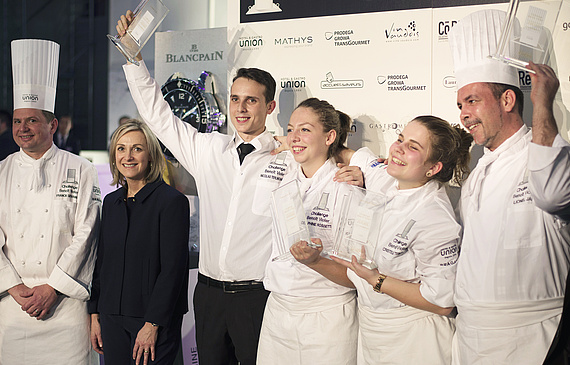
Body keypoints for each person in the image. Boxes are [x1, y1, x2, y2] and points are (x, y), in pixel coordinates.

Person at [116, 11, 295, 364]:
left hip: (257, 298)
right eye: (235, 99)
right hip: (208, 296)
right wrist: (134, 58)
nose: (240, 108)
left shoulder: (288, 160)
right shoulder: (209, 148)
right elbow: (158, 115)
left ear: (270, 106)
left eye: (252, 100)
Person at [292, 116, 472, 364]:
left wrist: (376, 280)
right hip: (371, 331)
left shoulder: (435, 217)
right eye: (400, 139)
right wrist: (286, 141)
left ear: (433, 168)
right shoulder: (384, 177)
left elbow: (441, 303)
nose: (398, 148)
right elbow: (348, 154)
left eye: (413, 147)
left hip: (416, 337)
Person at [447, 9, 570, 364]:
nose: (463, 114)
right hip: (470, 338)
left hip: (533, 337)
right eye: (460, 105)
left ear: (508, 100)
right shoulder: (474, 178)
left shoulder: (543, 157)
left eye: (472, 101)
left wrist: (543, 103)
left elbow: (553, 192)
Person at [0, 39, 101, 364]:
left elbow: (88, 234)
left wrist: (52, 289)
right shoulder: (0, 172)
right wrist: (14, 287)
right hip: (13, 307)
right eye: (17, 121)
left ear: (52, 125)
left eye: (31, 120)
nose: (23, 128)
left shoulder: (81, 169)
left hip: (65, 307)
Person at [257, 98, 358, 364]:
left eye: (305, 129)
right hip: (278, 312)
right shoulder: (283, 175)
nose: (294, 137)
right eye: (290, 129)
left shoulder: (347, 186)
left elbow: (356, 276)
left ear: (330, 137)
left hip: (327, 318)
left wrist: (315, 261)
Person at [88, 120, 189, 365]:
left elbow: (172, 271)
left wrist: (153, 324)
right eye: (121, 149)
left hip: (152, 322)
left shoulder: (171, 202)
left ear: (151, 155)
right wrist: (94, 314)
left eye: (137, 149)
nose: (128, 156)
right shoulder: (111, 203)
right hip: (112, 319)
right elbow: (102, 263)